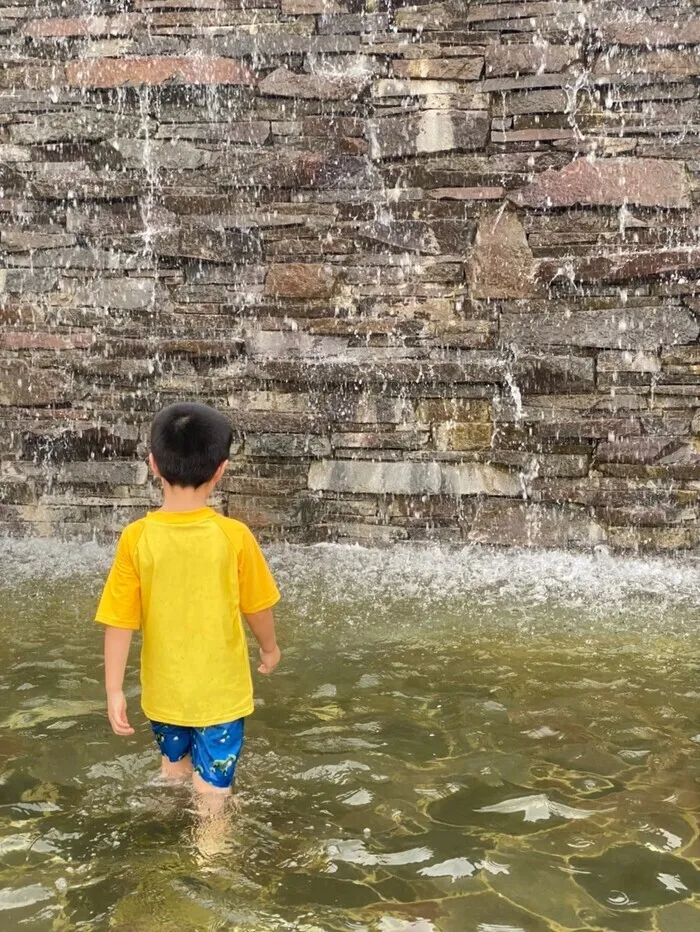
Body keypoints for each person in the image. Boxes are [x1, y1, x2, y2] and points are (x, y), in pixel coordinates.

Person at [95, 402, 281, 799]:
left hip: (163, 696)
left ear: (153, 464)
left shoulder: (136, 538)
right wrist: (270, 649)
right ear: (221, 470)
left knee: (173, 770)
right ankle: (210, 856)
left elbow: (119, 621)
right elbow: (256, 607)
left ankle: (165, 829)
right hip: (220, 697)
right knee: (213, 789)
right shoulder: (234, 537)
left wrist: (114, 689)